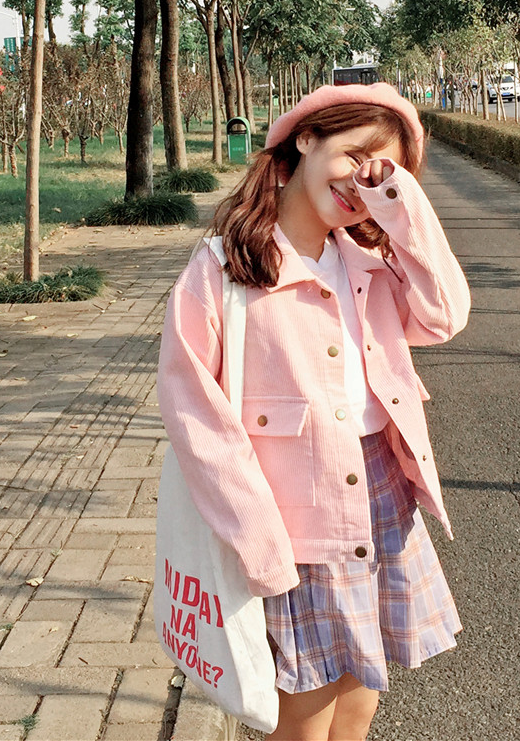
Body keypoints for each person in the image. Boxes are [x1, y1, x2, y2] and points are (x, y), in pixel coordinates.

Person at [158, 83, 471, 741]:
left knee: (360, 700)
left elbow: (444, 315)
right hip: (292, 517)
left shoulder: (371, 264)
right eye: (354, 155)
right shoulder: (223, 270)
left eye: (381, 173)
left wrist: (401, 206)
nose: (360, 182)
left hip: (382, 493)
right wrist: (261, 546)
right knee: (303, 717)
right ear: (306, 137)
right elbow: (196, 420)